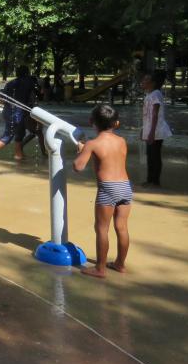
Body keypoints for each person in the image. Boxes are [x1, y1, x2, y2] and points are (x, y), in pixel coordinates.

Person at [73, 104, 132, 278]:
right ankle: (120, 264)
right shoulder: (122, 141)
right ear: (117, 123)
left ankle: (100, 268)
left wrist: (82, 151)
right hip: (125, 186)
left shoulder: (92, 143)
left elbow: (78, 167)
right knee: (122, 227)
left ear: (92, 122)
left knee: (102, 228)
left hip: (108, 188)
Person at [0, 65, 35, 165]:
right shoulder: (29, 82)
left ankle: (18, 155)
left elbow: (2, 99)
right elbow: (34, 97)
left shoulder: (11, 83)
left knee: (20, 134)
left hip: (8, 111)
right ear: (27, 73)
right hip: (18, 113)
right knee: (8, 136)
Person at [141, 70, 172, 187]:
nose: (142, 82)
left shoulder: (156, 94)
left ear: (152, 83)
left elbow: (155, 114)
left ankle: (155, 181)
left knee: (155, 156)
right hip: (151, 130)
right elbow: (147, 116)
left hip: (156, 131)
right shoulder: (150, 95)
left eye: (145, 80)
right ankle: (150, 180)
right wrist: (144, 130)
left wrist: (151, 133)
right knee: (150, 155)